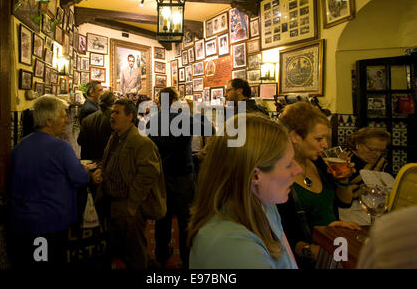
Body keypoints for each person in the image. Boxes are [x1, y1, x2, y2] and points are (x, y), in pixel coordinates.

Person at [187, 113, 302, 268]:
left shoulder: (263, 205)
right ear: (255, 176)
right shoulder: (231, 246)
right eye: (288, 164)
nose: (298, 169)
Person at [8, 95, 92, 269]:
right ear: (48, 121)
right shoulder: (60, 147)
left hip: (21, 223)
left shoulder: (20, 146)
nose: (66, 120)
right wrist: (85, 171)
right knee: (45, 263)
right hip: (47, 224)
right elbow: (80, 178)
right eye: (62, 116)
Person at [276, 101, 361, 269]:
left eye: (325, 138)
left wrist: (343, 181)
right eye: (319, 139)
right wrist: (309, 250)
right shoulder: (277, 174)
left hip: (333, 247)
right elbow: (277, 233)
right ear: (295, 137)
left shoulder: (320, 163)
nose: (325, 145)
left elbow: (344, 203)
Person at [91, 99, 165, 269]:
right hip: (113, 204)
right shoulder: (115, 137)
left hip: (128, 207)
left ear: (130, 116)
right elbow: (108, 161)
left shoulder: (141, 141)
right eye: (112, 112)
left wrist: (132, 206)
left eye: (117, 112)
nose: (112, 116)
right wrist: (100, 171)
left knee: (134, 253)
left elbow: (148, 175)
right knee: (120, 248)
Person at [146, 87, 201, 269]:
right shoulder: (185, 119)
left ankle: (161, 252)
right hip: (182, 174)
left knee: (162, 216)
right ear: (174, 101)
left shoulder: (151, 120)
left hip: (161, 174)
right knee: (186, 218)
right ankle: (187, 258)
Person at [345, 127, 391, 197]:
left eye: (381, 151)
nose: (378, 154)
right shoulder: (345, 158)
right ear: (358, 144)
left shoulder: (382, 164)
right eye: (373, 149)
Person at [77, 91, 116, 160]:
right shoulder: (115, 120)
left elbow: (80, 141)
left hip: (90, 159)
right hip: (107, 160)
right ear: (113, 102)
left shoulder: (87, 120)